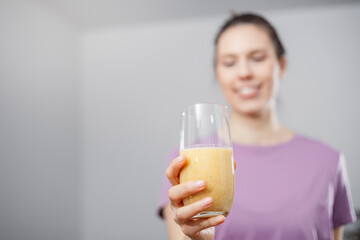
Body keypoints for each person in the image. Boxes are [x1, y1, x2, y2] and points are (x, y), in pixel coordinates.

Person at [158, 13, 356, 240]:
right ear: (218, 73)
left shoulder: (328, 161)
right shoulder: (184, 161)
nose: (244, 73)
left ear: (281, 66)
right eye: (229, 62)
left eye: (258, 58)